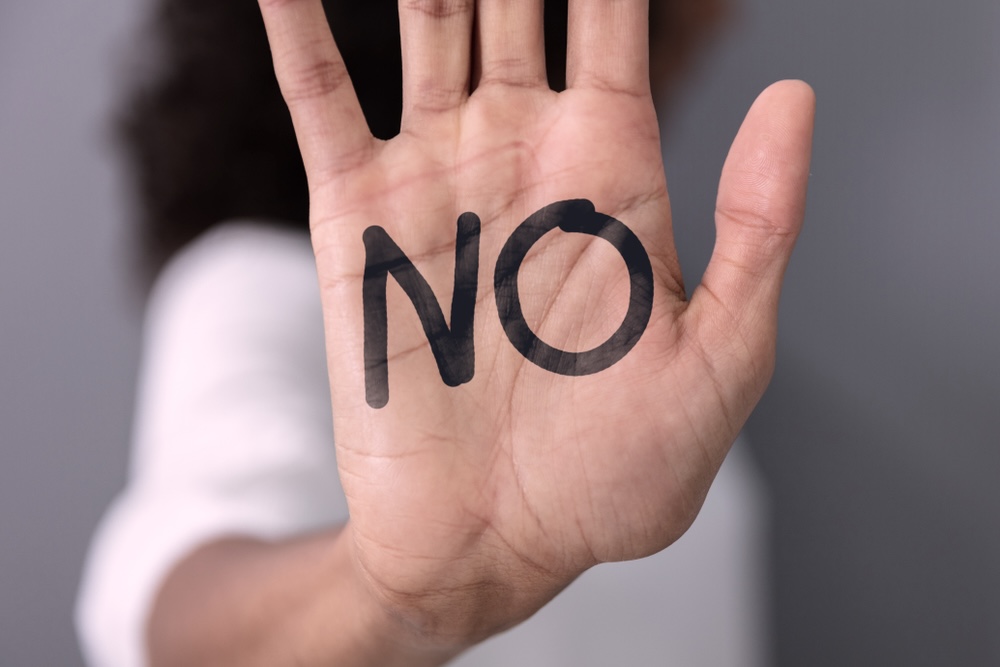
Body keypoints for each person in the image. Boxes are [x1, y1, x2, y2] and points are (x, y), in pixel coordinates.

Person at [77, 1, 815, 665]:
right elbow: (176, 613)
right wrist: (394, 601)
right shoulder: (257, 283)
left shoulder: (609, 298)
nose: (726, 17)